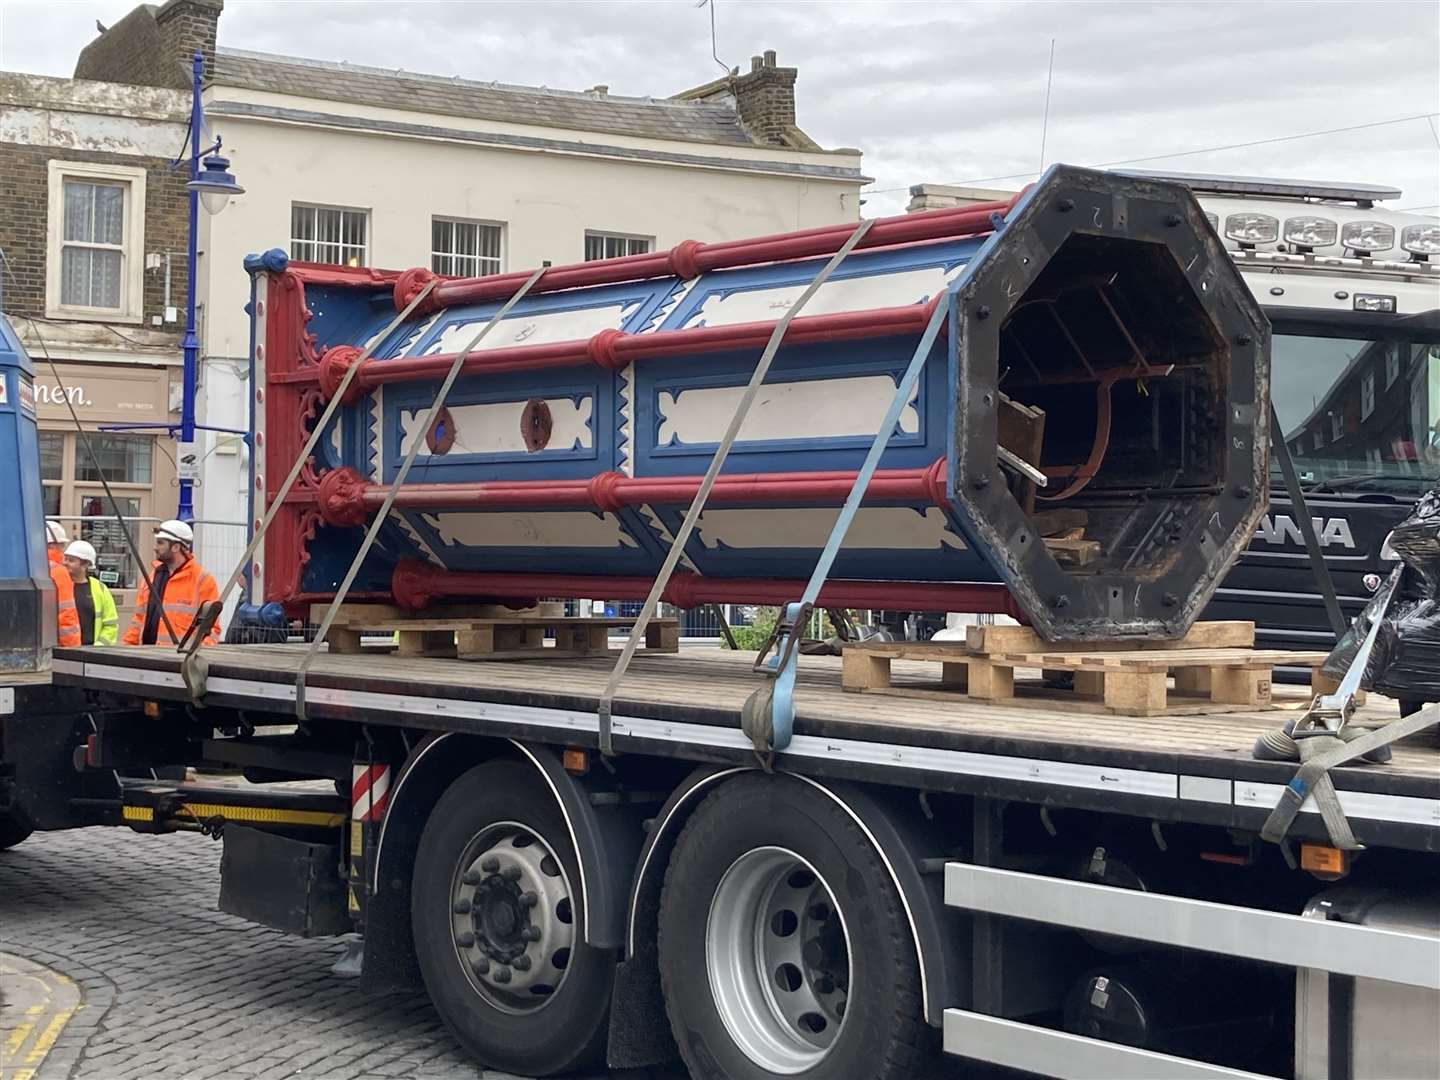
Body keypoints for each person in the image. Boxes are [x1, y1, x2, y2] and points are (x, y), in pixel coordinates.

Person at [122, 520, 220, 646]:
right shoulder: (152, 577)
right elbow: (138, 619)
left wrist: (195, 655)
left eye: (160, 543)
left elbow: (212, 628)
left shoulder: (203, 580)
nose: (155, 548)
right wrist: (128, 648)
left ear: (176, 547)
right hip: (148, 656)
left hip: (180, 661)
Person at [62, 540, 119, 646]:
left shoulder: (100, 588)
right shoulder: (58, 586)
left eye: (71, 560)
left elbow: (110, 625)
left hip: (90, 653)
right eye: (65, 559)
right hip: (62, 653)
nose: (65, 563)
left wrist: (98, 648)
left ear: (85, 564)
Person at [44, 520, 81, 648]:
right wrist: (73, 649)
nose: (63, 550)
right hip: (52, 646)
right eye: (62, 545)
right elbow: (66, 614)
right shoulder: (58, 572)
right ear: (53, 545)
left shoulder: (27, 566)